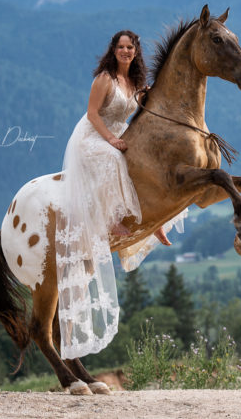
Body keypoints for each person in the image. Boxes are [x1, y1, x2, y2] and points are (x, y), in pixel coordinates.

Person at [54, 30, 183, 360]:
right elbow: (93, 114)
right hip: (93, 137)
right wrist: (110, 140)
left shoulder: (135, 80)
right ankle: (110, 219)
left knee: (149, 158)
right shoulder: (105, 79)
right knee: (115, 158)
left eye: (130, 47)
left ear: (135, 51)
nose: (125, 51)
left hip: (118, 132)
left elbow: (143, 102)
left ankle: (158, 217)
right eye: (121, 46)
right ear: (113, 50)